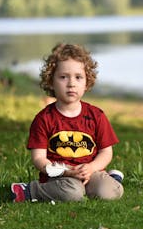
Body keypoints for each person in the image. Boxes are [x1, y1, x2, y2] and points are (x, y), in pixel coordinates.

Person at [11, 43, 124, 203]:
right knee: (73, 194)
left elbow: (106, 152)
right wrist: (66, 171)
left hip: (90, 172)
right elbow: (39, 159)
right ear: (51, 81)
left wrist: (91, 168)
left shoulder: (96, 116)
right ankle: (30, 190)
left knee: (110, 192)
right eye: (63, 77)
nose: (71, 83)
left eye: (78, 77)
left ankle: (111, 180)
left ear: (87, 82)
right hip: (59, 177)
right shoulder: (44, 119)